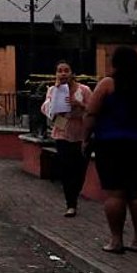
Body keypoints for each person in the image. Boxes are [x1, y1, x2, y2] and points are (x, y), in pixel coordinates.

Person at [83, 45, 137, 254]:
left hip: (111, 144)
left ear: (115, 63)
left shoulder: (108, 84)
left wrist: (85, 138)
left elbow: (91, 113)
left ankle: (116, 240)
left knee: (115, 194)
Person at [41, 60, 92, 217]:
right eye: (60, 71)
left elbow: (92, 109)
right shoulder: (52, 90)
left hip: (81, 133)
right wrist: (55, 99)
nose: (63, 73)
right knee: (66, 168)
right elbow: (46, 109)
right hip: (62, 130)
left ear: (72, 73)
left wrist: (79, 104)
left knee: (80, 169)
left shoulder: (84, 90)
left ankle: (75, 193)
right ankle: (71, 203)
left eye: (66, 70)